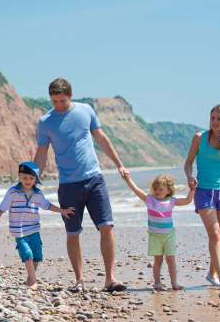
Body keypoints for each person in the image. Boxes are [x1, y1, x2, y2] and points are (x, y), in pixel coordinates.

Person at [34, 77, 129, 292]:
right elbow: (41, 153)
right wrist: (33, 180)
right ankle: (79, 280)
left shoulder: (85, 111)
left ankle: (110, 279)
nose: (58, 105)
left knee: (106, 226)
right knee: (73, 233)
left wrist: (119, 164)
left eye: (62, 101)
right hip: (68, 185)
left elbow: (102, 138)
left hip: (94, 179)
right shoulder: (45, 122)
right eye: (54, 101)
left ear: (70, 95)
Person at [0, 161, 75, 289]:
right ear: (19, 177)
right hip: (19, 231)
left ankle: (29, 278)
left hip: (34, 229)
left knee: (37, 257)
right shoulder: (12, 192)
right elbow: (0, 209)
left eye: (31, 178)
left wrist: (62, 211)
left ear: (36, 179)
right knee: (27, 254)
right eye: (24, 177)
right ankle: (33, 281)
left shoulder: (38, 194)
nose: (28, 180)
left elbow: (48, 206)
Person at [184, 104, 220, 290]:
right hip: (204, 192)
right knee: (215, 234)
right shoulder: (199, 138)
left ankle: (212, 274)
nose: (215, 122)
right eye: (212, 118)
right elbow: (188, 163)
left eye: (219, 118)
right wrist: (189, 177)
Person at [123, 174, 195, 290]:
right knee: (158, 260)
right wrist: (128, 179)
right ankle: (157, 283)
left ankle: (174, 283)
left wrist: (192, 190)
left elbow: (187, 201)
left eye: (161, 189)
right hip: (154, 236)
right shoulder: (149, 199)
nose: (157, 191)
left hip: (169, 235)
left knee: (171, 259)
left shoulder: (172, 201)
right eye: (155, 188)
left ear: (168, 190)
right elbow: (136, 189)